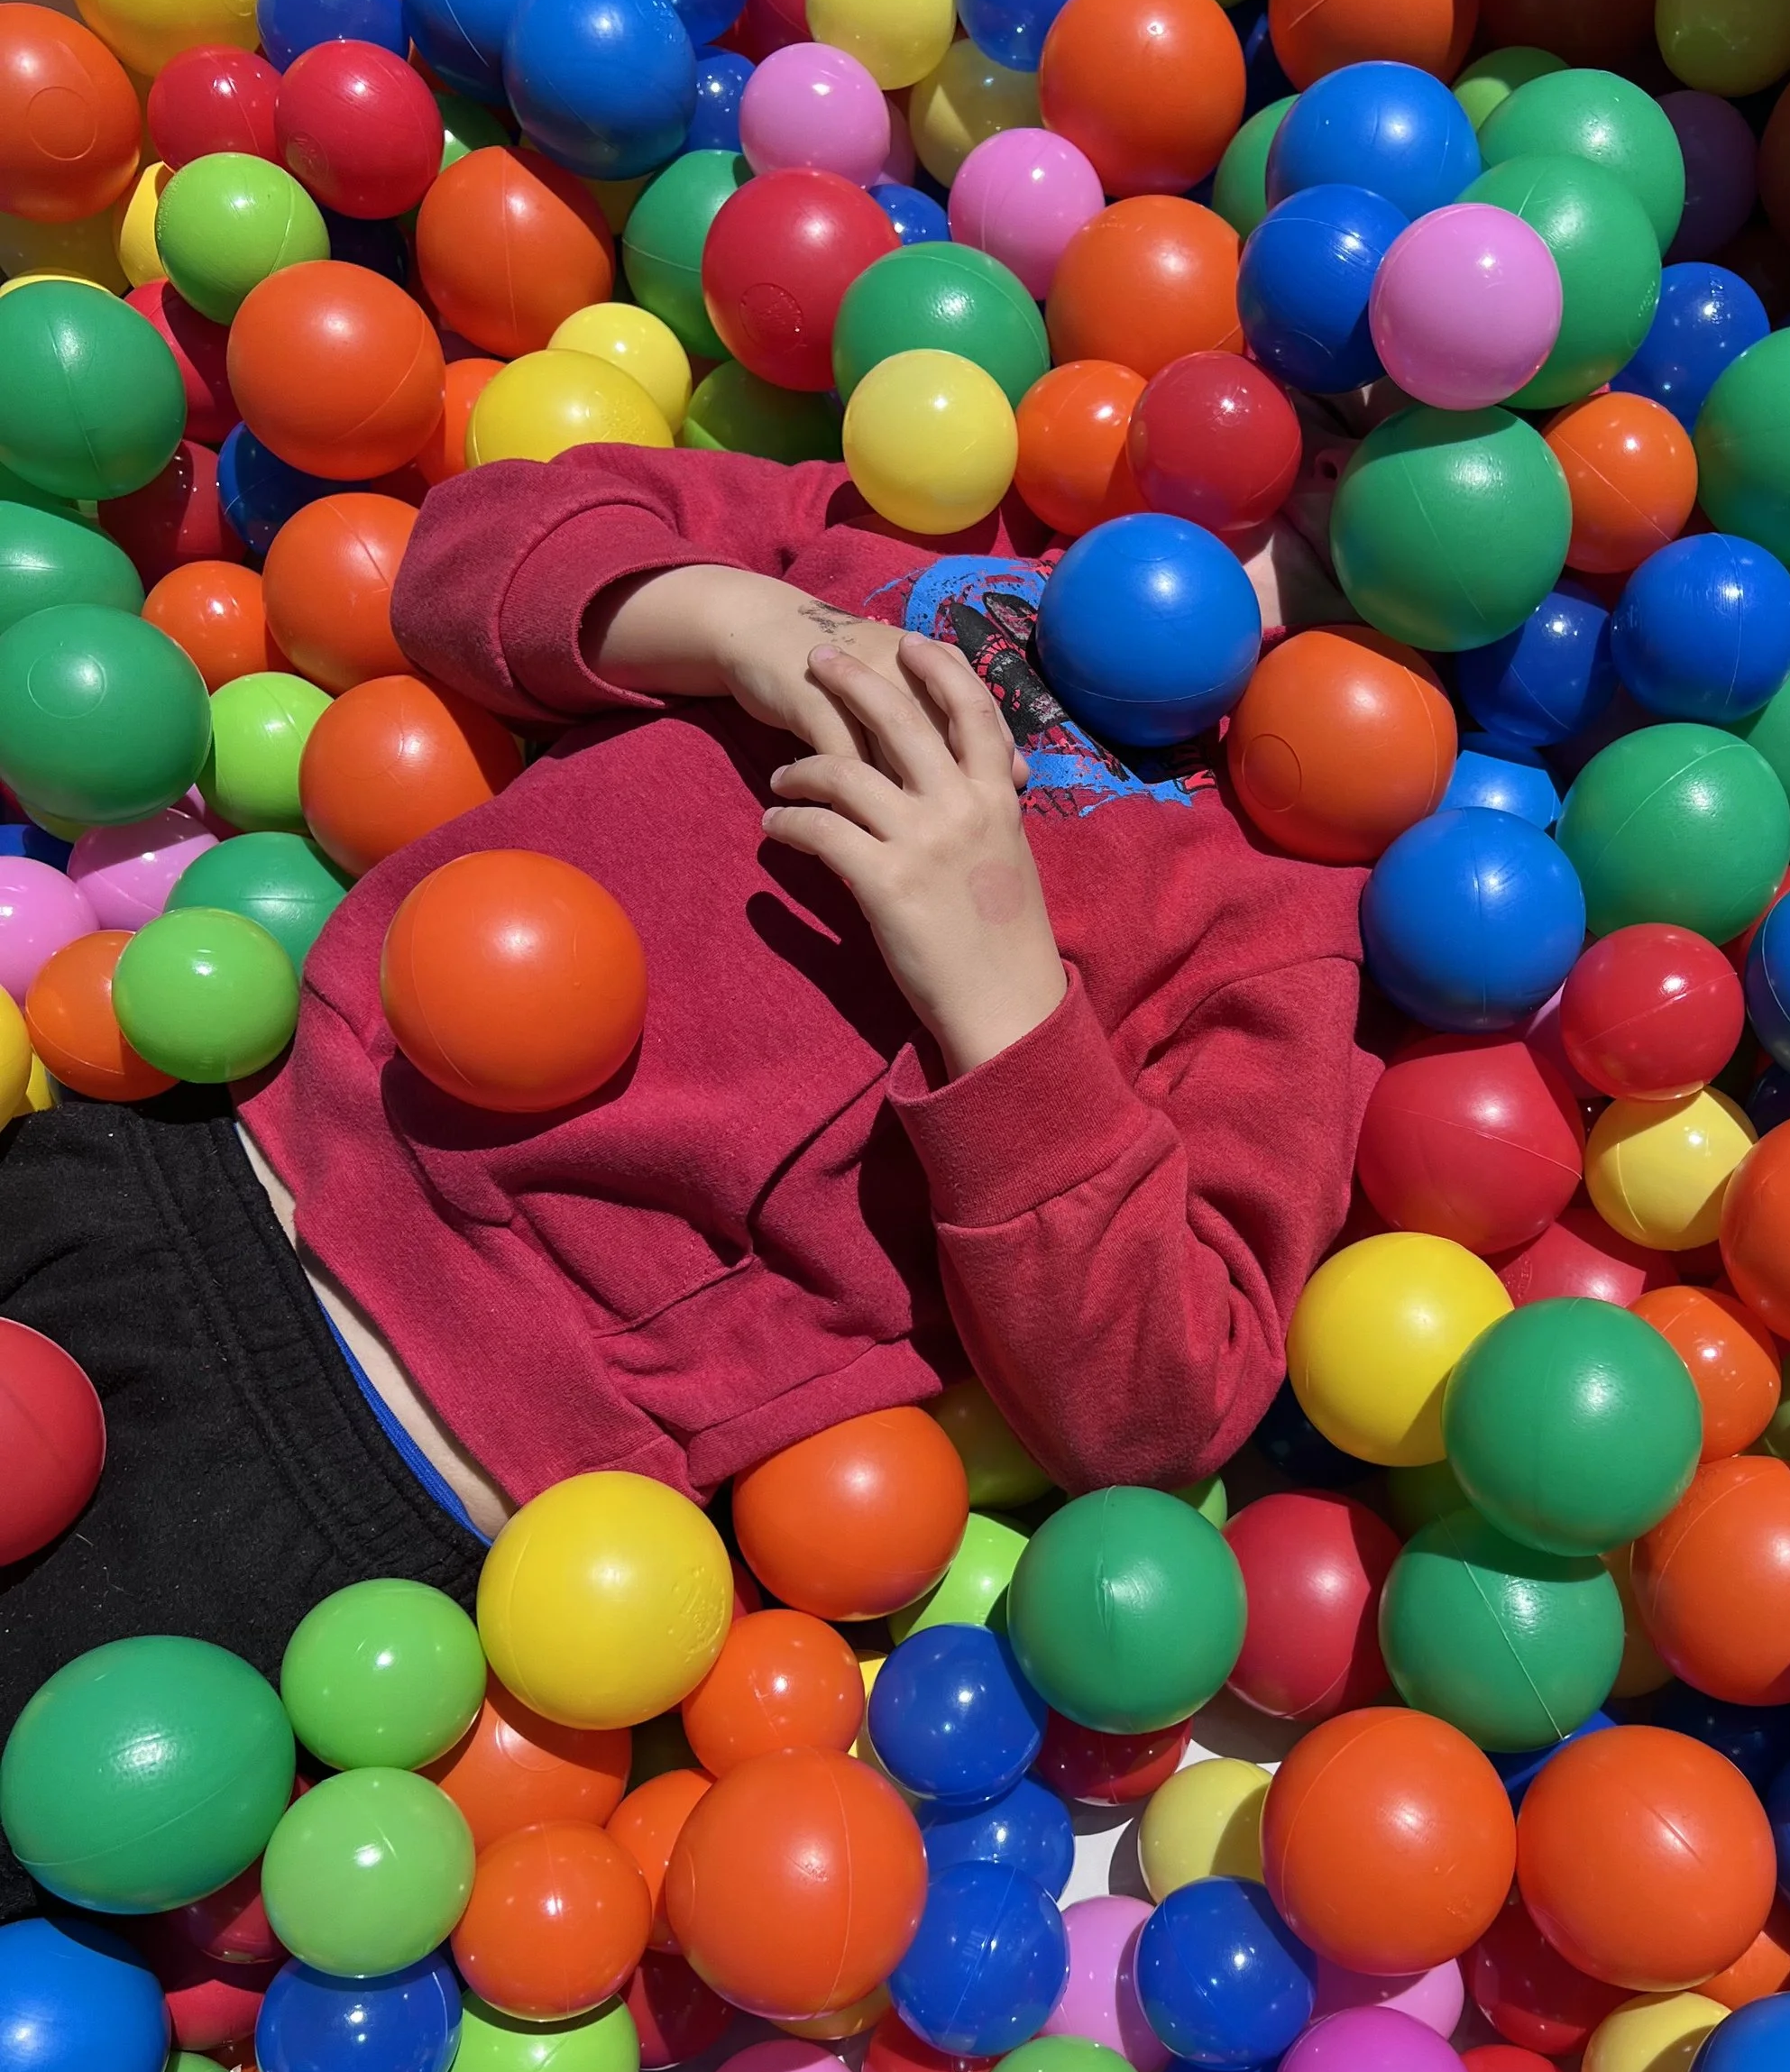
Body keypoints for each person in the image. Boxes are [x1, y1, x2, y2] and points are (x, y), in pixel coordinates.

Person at [0, 438, 1381, 1875]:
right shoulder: (909, 530)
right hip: (168, 1165)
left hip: (371, 1450)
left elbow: (1162, 1404)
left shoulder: (1281, 919)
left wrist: (1002, 992)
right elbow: (467, 548)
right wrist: (737, 622)